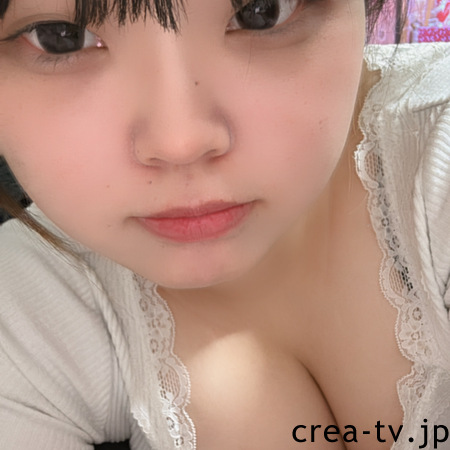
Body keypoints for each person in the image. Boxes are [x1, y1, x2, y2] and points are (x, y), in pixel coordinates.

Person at [0, 0, 449, 448]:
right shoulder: (31, 304)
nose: (180, 142)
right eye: (61, 38)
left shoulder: (437, 152)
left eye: (261, 12)